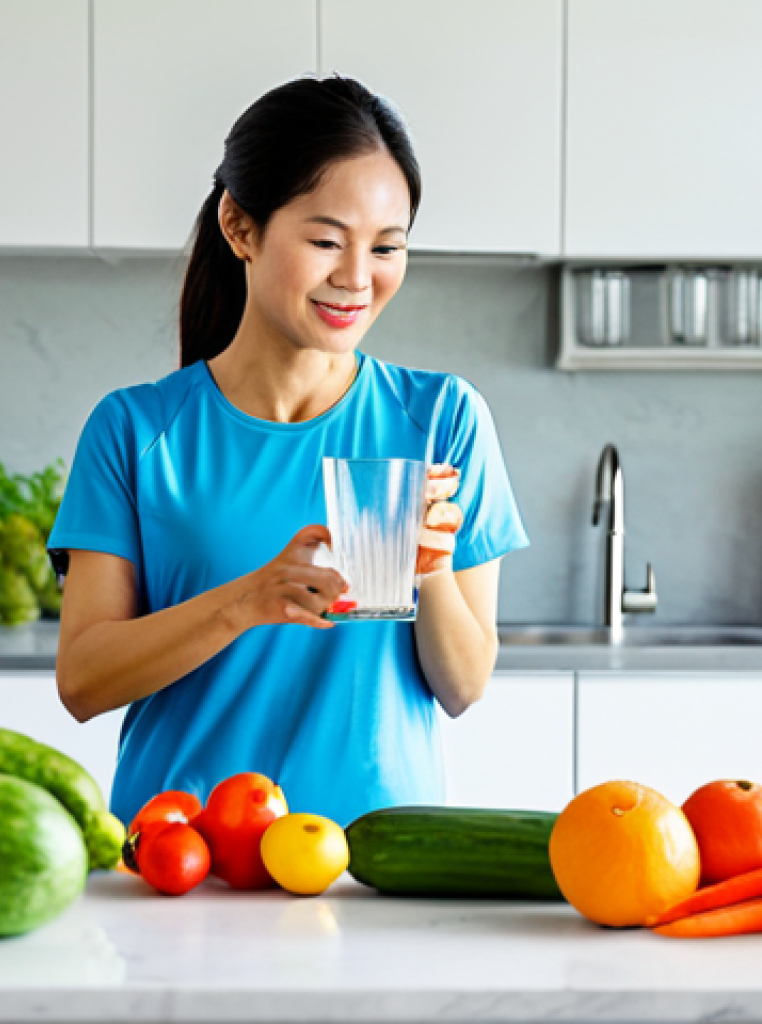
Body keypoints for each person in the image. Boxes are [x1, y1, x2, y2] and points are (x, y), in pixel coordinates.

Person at [48, 76, 529, 828]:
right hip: (184, 860)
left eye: (387, 248)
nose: (358, 278)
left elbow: (464, 686)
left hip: (371, 864)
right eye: (326, 241)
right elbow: (82, 681)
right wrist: (246, 601)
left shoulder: (441, 418)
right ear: (240, 227)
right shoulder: (136, 431)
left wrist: (424, 564)